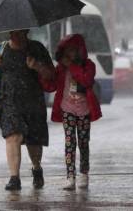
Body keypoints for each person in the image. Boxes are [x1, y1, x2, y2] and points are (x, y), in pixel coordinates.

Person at [0, 29, 55, 191]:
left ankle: (36, 168)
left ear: (26, 32)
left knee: (33, 141)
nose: (15, 37)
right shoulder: (1, 49)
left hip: (33, 102)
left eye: (19, 34)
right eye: (12, 34)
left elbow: (51, 74)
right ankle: (14, 178)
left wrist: (37, 66)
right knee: (13, 136)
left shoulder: (37, 48)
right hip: (9, 102)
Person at [41, 34, 102, 190]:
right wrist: (41, 73)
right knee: (69, 142)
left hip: (84, 110)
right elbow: (51, 86)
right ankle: (70, 176)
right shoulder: (61, 68)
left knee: (83, 142)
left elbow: (86, 80)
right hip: (67, 109)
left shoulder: (89, 65)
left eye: (74, 50)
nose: (72, 54)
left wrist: (73, 66)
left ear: (80, 51)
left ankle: (84, 173)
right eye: (68, 51)